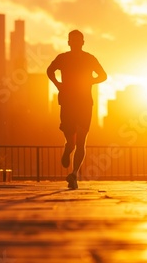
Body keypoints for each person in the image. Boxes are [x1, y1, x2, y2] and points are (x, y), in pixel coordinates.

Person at [46, 30, 107, 189]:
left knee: (81, 141)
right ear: (68, 42)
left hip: (85, 103)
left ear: (83, 42)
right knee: (71, 141)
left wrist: (90, 81)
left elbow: (103, 75)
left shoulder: (89, 58)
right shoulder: (63, 58)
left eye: (78, 40)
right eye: (72, 40)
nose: (75, 43)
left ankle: (74, 175)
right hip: (67, 103)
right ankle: (68, 149)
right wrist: (58, 84)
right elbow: (49, 71)